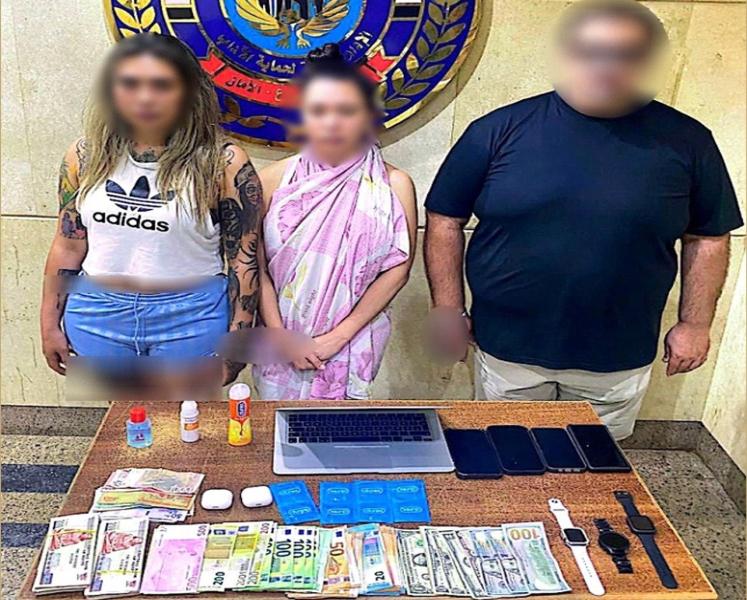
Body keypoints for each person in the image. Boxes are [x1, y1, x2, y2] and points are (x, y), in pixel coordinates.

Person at [423, 0, 743, 438]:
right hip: (507, 349)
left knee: (597, 467)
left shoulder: (688, 142)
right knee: (509, 457)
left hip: (617, 357)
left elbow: (708, 237)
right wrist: (447, 309)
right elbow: (444, 218)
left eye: (626, 53)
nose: (607, 65)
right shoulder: (496, 131)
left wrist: (695, 324)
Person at [40, 34, 261, 388]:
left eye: (161, 85)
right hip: (97, 313)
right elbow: (67, 246)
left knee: (183, 418)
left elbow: (243, 259)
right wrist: (50, 323)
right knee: (124, 418)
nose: (145, 97)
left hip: (191, 315)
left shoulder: (223, 163)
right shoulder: (84, 156)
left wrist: (238, 342)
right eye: (131, 83)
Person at [254, 43, 417, 400]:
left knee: (343, 428)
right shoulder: (271, 181)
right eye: (319, 110)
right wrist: (281, 335)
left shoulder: (394, 185)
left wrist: (338, 337)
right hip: (281, 343)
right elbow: (257, 267)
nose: (331, 122)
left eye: (346, 110)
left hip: (353, 341)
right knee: (279, 430)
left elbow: (398, 271)